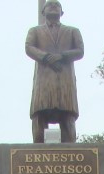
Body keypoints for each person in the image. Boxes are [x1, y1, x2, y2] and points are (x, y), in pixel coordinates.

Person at [25, 1, 84, 143]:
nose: (53, 6)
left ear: (62, 12)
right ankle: (37, 152)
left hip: (65, 81)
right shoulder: (35, 31)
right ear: (43, 12)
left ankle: (71, 153)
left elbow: (80, 51)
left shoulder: (73, 31)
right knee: (39, 117)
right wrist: (46, 57)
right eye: (49, 5)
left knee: (68, 119)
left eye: (57, 5)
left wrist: (61, 56)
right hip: (43, 81)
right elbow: (29, 47)